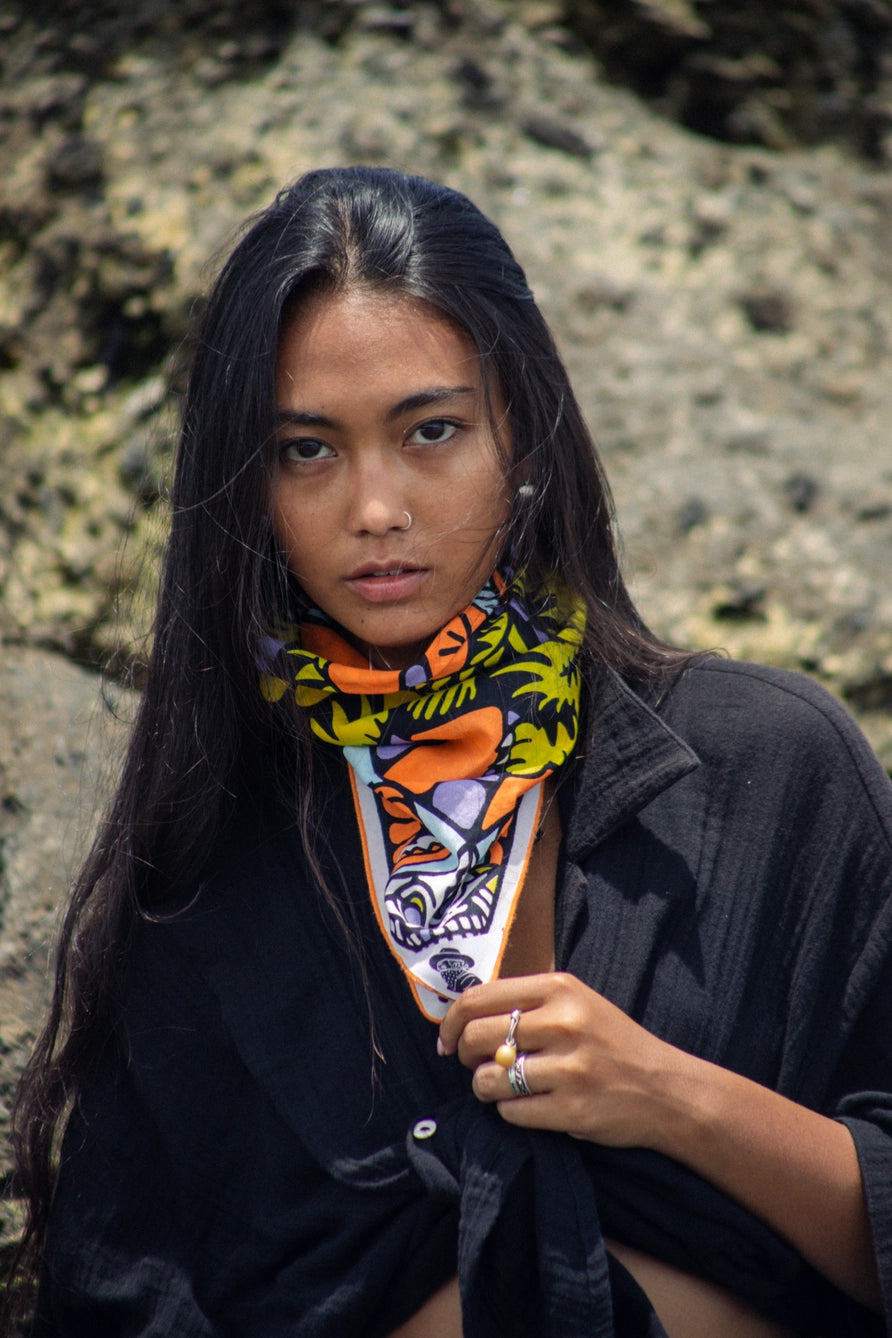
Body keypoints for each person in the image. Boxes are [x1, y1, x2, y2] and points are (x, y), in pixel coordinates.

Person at [7, 165, 892, 1338]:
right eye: (307, 452)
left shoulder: (776, 770)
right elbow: (125, 1293)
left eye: (431, 431)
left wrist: (671, 1098)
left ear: (519, 427)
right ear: (246, 486)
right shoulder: (215, 862)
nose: (375, 507)